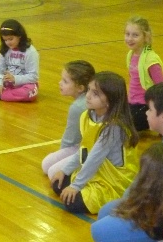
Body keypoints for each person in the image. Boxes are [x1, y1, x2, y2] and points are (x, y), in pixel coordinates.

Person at [90, 81, 163, 242]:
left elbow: (155, 196)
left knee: (98, 231)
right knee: (106, 211)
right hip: (153, 207)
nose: (145, 113)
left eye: (149, 109)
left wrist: (131, 206)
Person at [52, 71, 140, 214]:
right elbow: (83, 149)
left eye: (96, 94)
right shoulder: (88, 116)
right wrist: (64, 170)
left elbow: (95, 158)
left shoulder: (114, 127)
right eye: (89, 90)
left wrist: (76, 186)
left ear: (110, 100)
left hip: (113, 180)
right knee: (58, 183)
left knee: (72, 202)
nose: (88, 96)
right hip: (97, 172)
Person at [41, 60, 96, 183]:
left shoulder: (77, 107)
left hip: (88, 149)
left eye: (65, 81)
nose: (60, 83)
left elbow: (70, 140)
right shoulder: (82, 102)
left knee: (52, 172)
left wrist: (63, 158)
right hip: (81, 146)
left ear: (80, 88)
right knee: (46, 165)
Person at [124, 16, 163, 131]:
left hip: (145, 104)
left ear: (145, 37)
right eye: (127, 34)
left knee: (126, 126)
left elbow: (162, 87)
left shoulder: (151, 60)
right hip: (132, 101)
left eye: (135, 35)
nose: (130, 39)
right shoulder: (130, 55)